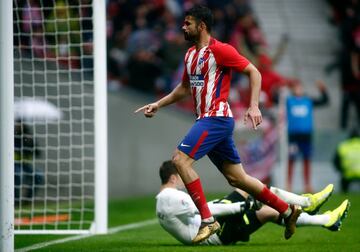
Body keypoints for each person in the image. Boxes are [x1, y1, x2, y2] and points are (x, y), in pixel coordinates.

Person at [135, 5, 301, 243]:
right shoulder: (190, 55)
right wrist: (158, 104)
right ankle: (287, 210)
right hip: (208, 121)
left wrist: (254, 106)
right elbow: (183, 89)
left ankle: (207, 220)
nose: (183, 27)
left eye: (188, 23)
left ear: (201, 26)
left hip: (216, 118)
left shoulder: (221, 50)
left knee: (179, 160)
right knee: (238, 179)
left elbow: (255, 72)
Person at [156, 160, 350, 245]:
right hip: (217, 233)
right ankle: (308, 202)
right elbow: (205, 212)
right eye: (182, 175)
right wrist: (245, 206)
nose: (185, 179)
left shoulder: (165, 200)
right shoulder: (170, 197)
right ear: (174, 177)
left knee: (270, 211)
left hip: (218, 232)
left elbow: (201, 211)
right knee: (254, 190)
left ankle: (327, 220)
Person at [286, 80, 329, 193]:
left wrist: (323, 90)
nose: (298, 89)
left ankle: (307, 185)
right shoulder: (289, 101)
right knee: (292, 159)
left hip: (306, 135)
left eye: (300, 87)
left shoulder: (308, 101)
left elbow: (324, 101)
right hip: (293, 136)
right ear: (292, 89)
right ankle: (289, 185)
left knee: (307, 159)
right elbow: (274, 98)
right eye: (296, 87)